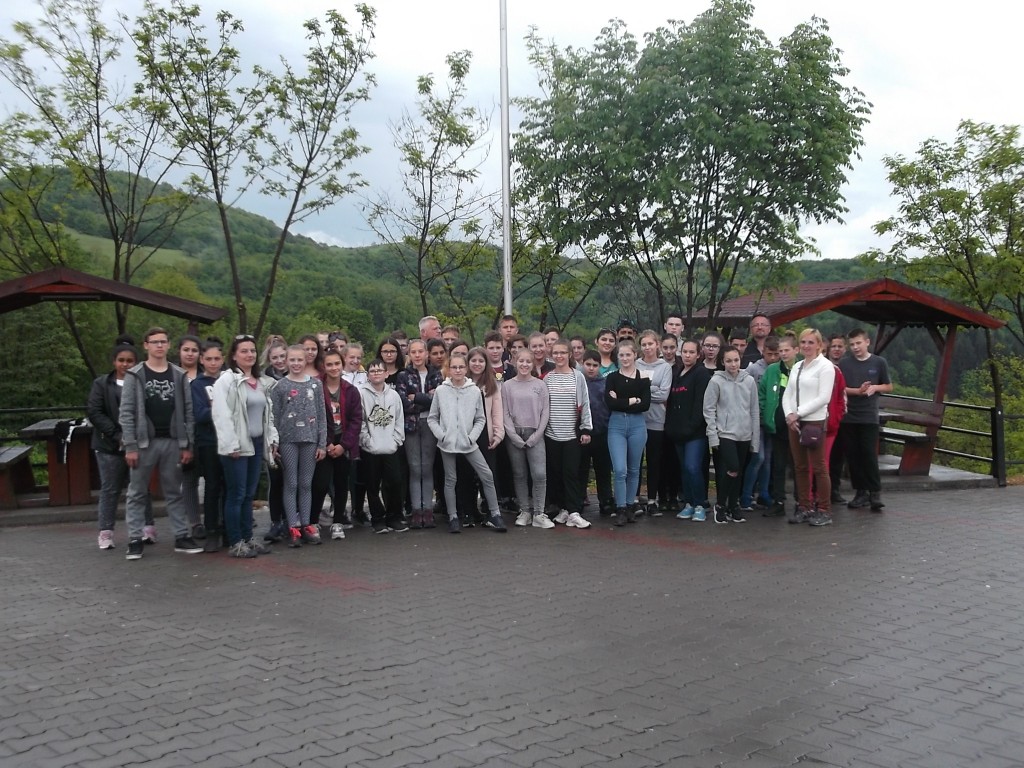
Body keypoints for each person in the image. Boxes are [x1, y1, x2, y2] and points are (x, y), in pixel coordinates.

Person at [119, 327, 200, 560]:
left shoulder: (179, 374)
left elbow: (188, 412)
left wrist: (188, 444)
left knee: (174, 491)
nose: (159, 346)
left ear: (168, 345)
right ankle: (135, 539)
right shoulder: (135, 375)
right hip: (144, 443)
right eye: (155, 342)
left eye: (163, 341)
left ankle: (181, 535)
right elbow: (126, 412)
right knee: (137, 492)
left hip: (173, 441)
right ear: (146, 345)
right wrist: (130, 445)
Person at [212, 334, 278, 558]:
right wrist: (231, 444)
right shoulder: (227, 381)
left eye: (252, 350)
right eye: (244, 351)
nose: (249, 355)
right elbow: (221, 415)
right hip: (237, 446)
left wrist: (271, 441)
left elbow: (268, 415)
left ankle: (248, 537)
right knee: (237, 494)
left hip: (257, 443)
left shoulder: (261, 382)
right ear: (233, 356)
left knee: (249, 494)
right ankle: (236, 541)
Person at [427, 352, 506, 533]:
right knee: (450, 479)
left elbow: (480, 418)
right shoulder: (441, 391)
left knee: (486, 474)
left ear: (466, 369)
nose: (458, 370)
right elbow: (432, 418)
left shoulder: (474, 391)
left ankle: (495, 514)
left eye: (461, 367)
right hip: (447, 444)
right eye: (454, 367)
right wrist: (442, 435)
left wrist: (471, 437)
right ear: (449, 369)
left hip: (468, 443)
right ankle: (453, 516)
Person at [87, 340, 143, 550]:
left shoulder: (141, 382)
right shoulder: (101, 384)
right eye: (121, 360)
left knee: (140, 488)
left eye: (130, 361)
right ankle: (106, 531)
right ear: (114, 361)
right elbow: (95, 412)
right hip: (108, 445)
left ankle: (146, 528)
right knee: (110, 489)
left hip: (137, 443)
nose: (125, 364)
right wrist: (116, 434)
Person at [269, 345, 328, 547]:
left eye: (299, 360)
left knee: (305, 484)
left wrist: (322, 443)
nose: (296, 364)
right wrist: (274, 443)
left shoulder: (316, 385)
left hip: (310, 440)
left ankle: (306, 524)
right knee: (291, 483)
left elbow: (321, 416)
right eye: (292, 360)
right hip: (288, 441)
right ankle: (292, 526)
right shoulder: (280, 386)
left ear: (306, 361)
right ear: (286, 361)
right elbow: (274, 416)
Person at [782, 329, 836, 526]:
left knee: (819, 467)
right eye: (803, 342)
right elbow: (788, 393)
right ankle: (804, 506)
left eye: (811, 342)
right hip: (795, 421)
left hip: (814, 421)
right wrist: (789, 414)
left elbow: (824, 397)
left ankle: (824, 510)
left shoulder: (826, 367)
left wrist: (798, 413)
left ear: (819, 345)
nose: (806, 346)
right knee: (800, 466)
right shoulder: (797, 366)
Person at [309, 349, 362, 541]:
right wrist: (326, 443)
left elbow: (356, 420)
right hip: (323, 442)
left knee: (341, 484)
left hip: (343, 443)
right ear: (324, 366)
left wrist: (343, 445)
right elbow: (312, 417)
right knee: (320, 484)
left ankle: (338, 521)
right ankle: (313, 521)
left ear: (342, 364)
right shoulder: (315, 387)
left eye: (337, 364)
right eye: (329, 364)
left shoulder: (350, 390)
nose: (333, 368)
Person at [703, 346, 759, 523]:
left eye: (736, 360)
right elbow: (708, 409)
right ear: (723, 362)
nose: (733, 364)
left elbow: (754, 410)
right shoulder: (716, 381)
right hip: (725, 432)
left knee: (738, 472)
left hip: (745, 434)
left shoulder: (749, 381)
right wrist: (713, 436)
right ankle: (720, 504)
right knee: (732, 467)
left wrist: (755, 439)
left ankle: (733, 505)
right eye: (729, 361)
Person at [839, 328, 892, 512]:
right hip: (849, 416)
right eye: (852, 344)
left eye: (858, 343)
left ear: (867, 342)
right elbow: (840, 388)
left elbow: (888, 386)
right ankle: (860, 492)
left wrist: (875, 388)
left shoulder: (879, 362)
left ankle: (875, 492)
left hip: (869, 416)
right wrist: (858, 391)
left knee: (869, 454)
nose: (855, 347)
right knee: (853, 456)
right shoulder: (844, 364)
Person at [543, 339, 593, 529]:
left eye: (563, 352)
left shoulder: (577, 377)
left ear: (569, 354)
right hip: (551, 434)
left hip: (572, 435)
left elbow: (585, 403)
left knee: (571, 473)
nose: (559, 356)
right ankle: (563, 508)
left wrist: (586, 429)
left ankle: (574, 511)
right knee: (556, 474)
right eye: (556, 353)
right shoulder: (547, 378)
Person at [396, 339, 443, 528]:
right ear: (409, 354)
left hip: (431, 424)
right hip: (411, 425)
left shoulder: (436, 374)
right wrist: (425, 400)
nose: (417, 355)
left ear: (426, 354)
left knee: (427, 467)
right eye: (413, 352)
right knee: (415, 468)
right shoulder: (403, 376)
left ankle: (428, 510)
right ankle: (416, 510)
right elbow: (403, 402)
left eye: (420, 351)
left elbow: (438, 401)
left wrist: (416, 397)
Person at [502, 350, 551, 527]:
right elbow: (505, 412)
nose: (524, 365)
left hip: (535, 433)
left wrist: (537, 435)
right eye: (521, 361)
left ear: (533, 364)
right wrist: (513, 436)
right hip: (514, 434)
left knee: (539, 474)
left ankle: (539, 512)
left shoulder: (540, 385)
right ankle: (524, 511)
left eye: (528, 362)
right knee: (519, 474)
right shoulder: (507, 386)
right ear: (515, 363)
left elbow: (545, 411)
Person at [605, 339, 651, 526]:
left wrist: (621, 401)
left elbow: (645, 404)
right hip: (616, 424)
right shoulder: (612, 378)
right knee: (620, 469)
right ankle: (621, 507)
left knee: (633, 469)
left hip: (637, 425)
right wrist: (632, 400)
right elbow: (610, 403)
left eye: (628, 355)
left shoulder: (643, 377)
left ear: (635, 355)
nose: (624, 358)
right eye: (621, 355)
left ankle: (630, 505)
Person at [666, 339, 713, 522]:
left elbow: (701, 403)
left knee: (693, 467)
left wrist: (692, 426)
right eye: (685, 351)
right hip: (678, 432)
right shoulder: (677, 372)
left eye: (692, 352)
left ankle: (700, 504)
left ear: (698, 354)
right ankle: (689, 503)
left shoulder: (701, 373)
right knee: (684, 469)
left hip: (696, 432)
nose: (687, 355)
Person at [359, 358, 407, 533]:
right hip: (370, 449)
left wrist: (396, 441)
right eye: (372, 371)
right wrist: (367, 441)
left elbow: (399, 419)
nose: (376, 373)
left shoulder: (394, 395)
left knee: (395, 482)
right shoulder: (361, 394)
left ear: (386, 373)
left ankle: (394, 517)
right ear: (368, 375)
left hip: (390, 447)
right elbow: (360, 421)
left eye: (380, 370)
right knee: (372, 485)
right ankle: (377, 518)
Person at [191, 339, 226, 553]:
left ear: (223, 360)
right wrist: (221, 408)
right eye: (209, 359)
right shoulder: (197, 384)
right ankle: (211, 530)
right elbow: (200, 414)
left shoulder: (228, 380)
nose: (213, 363)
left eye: (217, 358)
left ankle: (229, 529)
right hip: (208, 442)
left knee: (230, 487)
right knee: (212, 486)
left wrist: (215, 407)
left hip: (229, 440)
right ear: (202, 360)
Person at [465, 347, 505, 525]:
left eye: (481, 361)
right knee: (467, 474)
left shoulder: (491, 384)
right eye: (473, 360)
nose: (477, 364)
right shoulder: (462, 383)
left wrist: (498, 434)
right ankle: (470, 511)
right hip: (466, 435)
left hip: (485, 435)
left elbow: (497, 412)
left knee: (488, 474)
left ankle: (491, 511)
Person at [740, 337, 780, 512]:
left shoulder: (780, 369)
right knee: (758, 457)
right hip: (756, 419)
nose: (773, 357)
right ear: (763, 352)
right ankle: (746, 495)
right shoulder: (754, 369)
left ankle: (763, 494)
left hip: (772, 420)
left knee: (768, 459)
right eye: (769, 354)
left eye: (776, 354)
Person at [759, 335, 798, 517]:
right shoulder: (772, 370)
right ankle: (778, 501)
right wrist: (765, 414)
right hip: (777, 425)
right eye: (780, 350)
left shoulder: (801, 368)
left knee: (798, 465)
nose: (783, 354)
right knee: (778, 465)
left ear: (796, 350)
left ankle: (801, 501)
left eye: (786, 350)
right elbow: (762, 394)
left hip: (797, 426)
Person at [636, 330, 672, 514]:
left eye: (650, 344)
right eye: (644, 344)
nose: (647, 347)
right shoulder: (635, 364)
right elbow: (630, 390)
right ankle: (634, 499)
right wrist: (652, 389)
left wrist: (643, 391)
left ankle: (652, 500)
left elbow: (664, 394)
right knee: (635, 462)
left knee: (654, 462)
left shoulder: (665, 367)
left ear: (657, 344)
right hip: (636, 420)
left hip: (657, 421)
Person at [579, 350, 614, 516]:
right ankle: (578, 500)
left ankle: (606, 501)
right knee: (581, 469)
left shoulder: (605, 384)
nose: (591, 368)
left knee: (603, 470)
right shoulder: (578, 382)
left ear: (600, 366)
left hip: (602, 432)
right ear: (583, 364)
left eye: (595, 365)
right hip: (582, 433)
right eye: (588, 364)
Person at [177, 335, 204, 538]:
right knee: (189, 480)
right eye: (186, 350)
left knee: (214, 481)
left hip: (206, 435)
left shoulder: (206, 376)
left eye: (194, 350)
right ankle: (194, 522)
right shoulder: (174, 376)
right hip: (182, 435)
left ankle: (214, 521)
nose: (190, 354)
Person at [826, 334, 849, 502]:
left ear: (844, 349)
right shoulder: (823, 366)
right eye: (834, 346)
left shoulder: (848, 367)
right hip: (824, 418)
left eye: (840, 346)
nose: (836, 349)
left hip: (842, 417)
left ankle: (834, 488)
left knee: (838, 456)